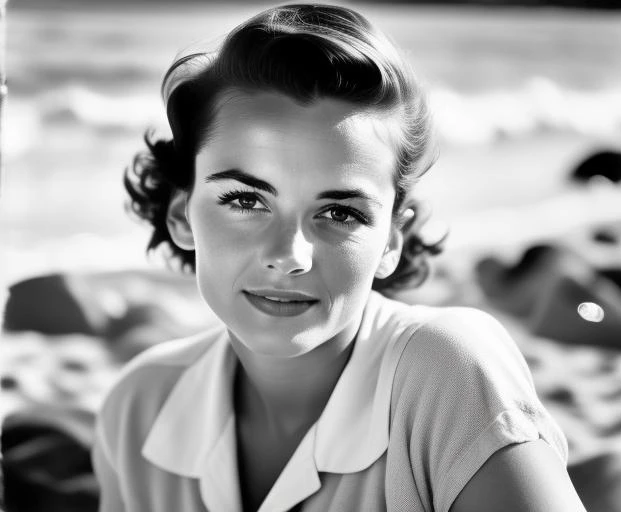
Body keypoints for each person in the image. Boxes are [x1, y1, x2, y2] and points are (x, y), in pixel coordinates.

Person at [93, 4, 587, 511]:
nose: (289, 256)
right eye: (246, 200)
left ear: (392, 240)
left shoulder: (448, 369)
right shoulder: (136, 409)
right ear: (181, 213)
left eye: (339, 213)